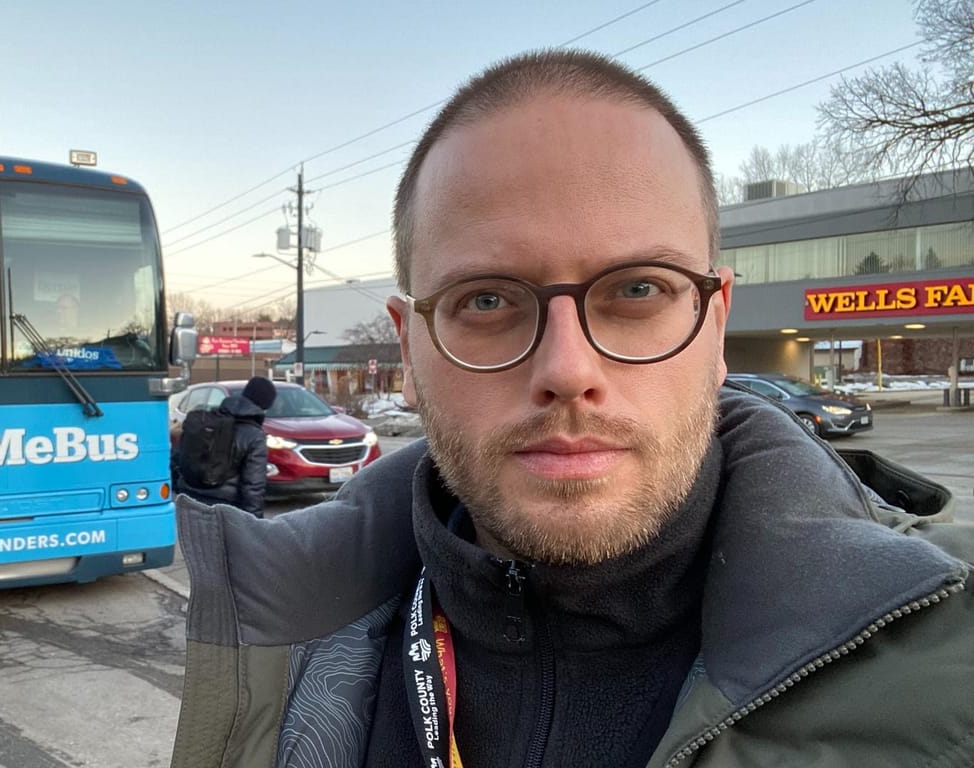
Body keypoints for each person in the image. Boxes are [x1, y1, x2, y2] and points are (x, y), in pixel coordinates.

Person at [169, 51, 974, 767]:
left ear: (715, 323)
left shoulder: (948, 648)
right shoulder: (280, 647)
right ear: (409, 349)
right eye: (487, 299)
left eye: (637, 290)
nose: (566, 369)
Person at [174, 376, 277, 518]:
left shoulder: (208, 421)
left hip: (189, 499)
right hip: (226, 507)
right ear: (265, 405)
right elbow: (253, 486)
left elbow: (177, 458)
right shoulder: (254, 435)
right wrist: (255, 523)